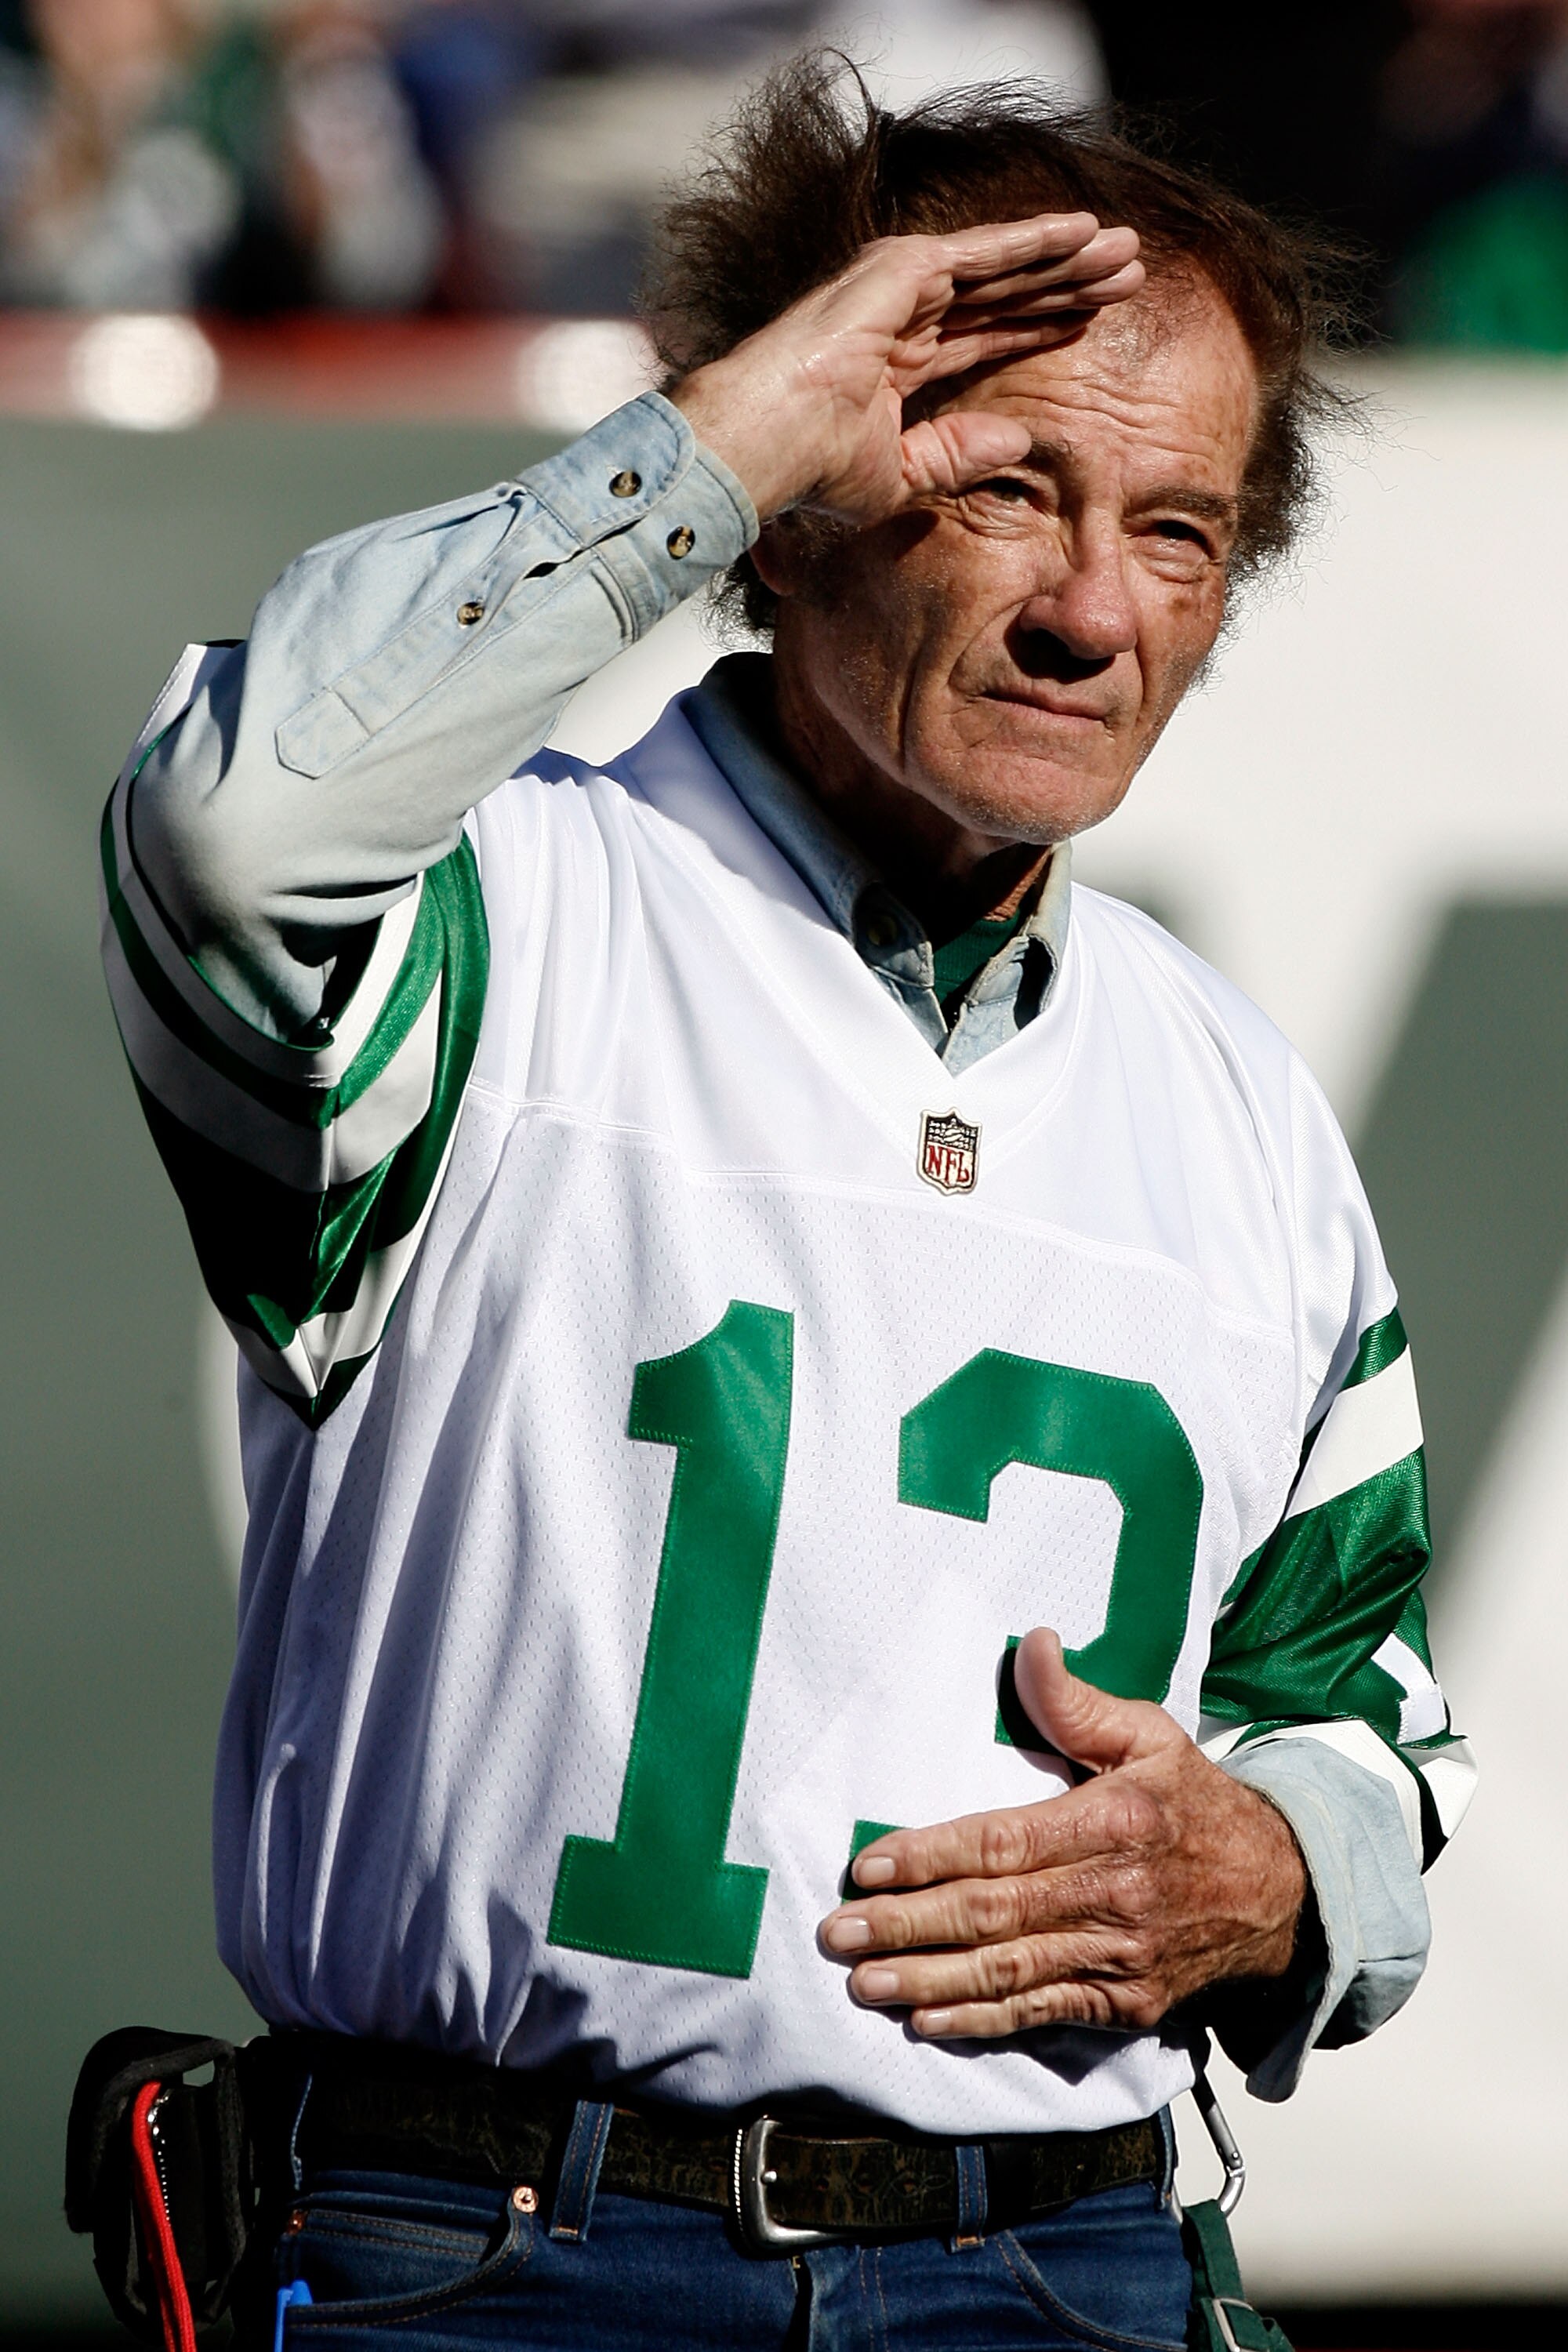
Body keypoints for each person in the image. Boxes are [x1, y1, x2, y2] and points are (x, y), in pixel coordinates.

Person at [100, 56, 1475, 2352]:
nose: (1089, 612)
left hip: (1077, 2256)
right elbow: (239, 829)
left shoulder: (1238, 1105)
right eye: (1007, 485)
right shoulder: (500, 919)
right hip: (503, 2249)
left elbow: (1365, 1715)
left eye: (1177, 529)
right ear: (803, 496)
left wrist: (1275, 1871)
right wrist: (718, 442)